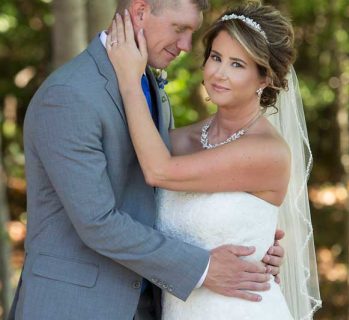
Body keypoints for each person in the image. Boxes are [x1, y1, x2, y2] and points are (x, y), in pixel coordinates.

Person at [8, 1, 286, 320]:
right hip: (76, 306)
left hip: (154, 305)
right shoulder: (69, 95)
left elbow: (155, 198)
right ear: (140, 12)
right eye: (179, 29)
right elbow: (97, 222)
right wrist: (205, 267)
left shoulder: (148, 86)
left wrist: (254, 238)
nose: (185, 46)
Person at [107, 1, 322, 319]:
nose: (219, 73)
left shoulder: (268, 152)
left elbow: (158, 171)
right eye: (216, 57)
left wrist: (129, 81)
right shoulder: (178, 140)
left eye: (238, 65)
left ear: (264, 77)